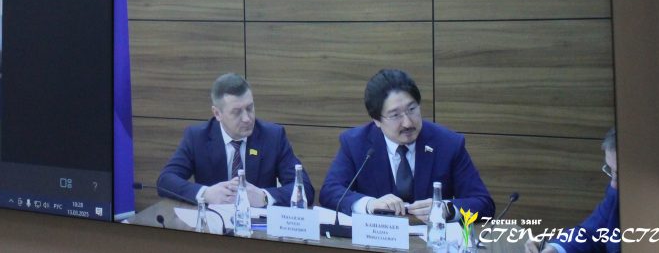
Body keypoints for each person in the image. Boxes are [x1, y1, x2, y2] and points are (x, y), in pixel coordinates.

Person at [320, 69, 494, 221]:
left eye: (412, 109)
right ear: (376, 120)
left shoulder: (448, 144)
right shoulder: (355, 143)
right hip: (377, 239)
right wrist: (369, 204)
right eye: (395, 115)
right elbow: (330, 192)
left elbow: (483, 202)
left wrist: (446, 209)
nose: (408, 123)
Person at [157, 73, 313, 207]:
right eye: (237, 112)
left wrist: (264, 197)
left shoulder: (273, 137)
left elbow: (305, 188)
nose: (247, 118)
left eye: (250, 108)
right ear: (217, 114)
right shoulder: (197, 137)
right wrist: (206, 194)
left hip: (259, 227)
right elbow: (165, 181)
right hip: (212, 226)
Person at [525, 128, 618, 253]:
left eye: (620, 174)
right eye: (611, 171)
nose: (613, 184)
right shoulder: (617, 193)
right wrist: (556, 249)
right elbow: (590, 233)